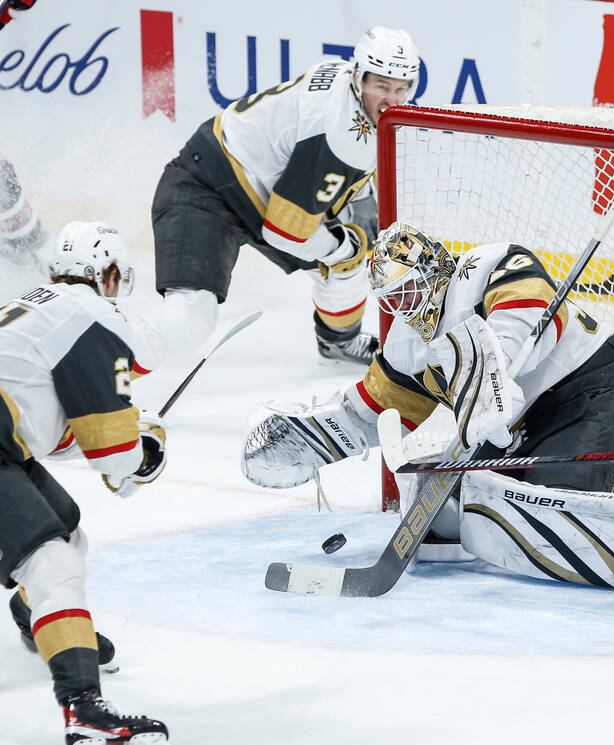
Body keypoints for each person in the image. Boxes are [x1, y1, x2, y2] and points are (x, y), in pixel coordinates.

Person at [243, 222, 614, 598]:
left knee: (541, 512)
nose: (406, 304)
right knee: (458, 506)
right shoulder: (406, 343)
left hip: (595, 397)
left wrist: (493, 379)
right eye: (394, 298)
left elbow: (529, 312)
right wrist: (316, 436)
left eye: (410, 288)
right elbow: (374, 409)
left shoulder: (488, 264)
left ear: (435, 266)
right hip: (517, 424)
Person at [137, 26, 419, 370]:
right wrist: (348, 246)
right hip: (206, 188)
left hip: (261, 188)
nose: (392, 99)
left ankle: (338, 342)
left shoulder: (340, 78)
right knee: (189, 321)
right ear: (358, 77)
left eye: (401, 88)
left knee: (346, 264)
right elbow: (284, 232)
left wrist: (359, 207)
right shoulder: (340, 136)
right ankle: (99, 372)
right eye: (382, 86)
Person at [0, 222, 168, 743]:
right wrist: (142, 452)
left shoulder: (38, 306)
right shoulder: (94, 314)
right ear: (111, 275)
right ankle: (84, 710)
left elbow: (50, 427)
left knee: (64, 529)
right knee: (53, 562)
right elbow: (112, 455)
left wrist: (127, 439)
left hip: (6, 445)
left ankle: (40, 620)